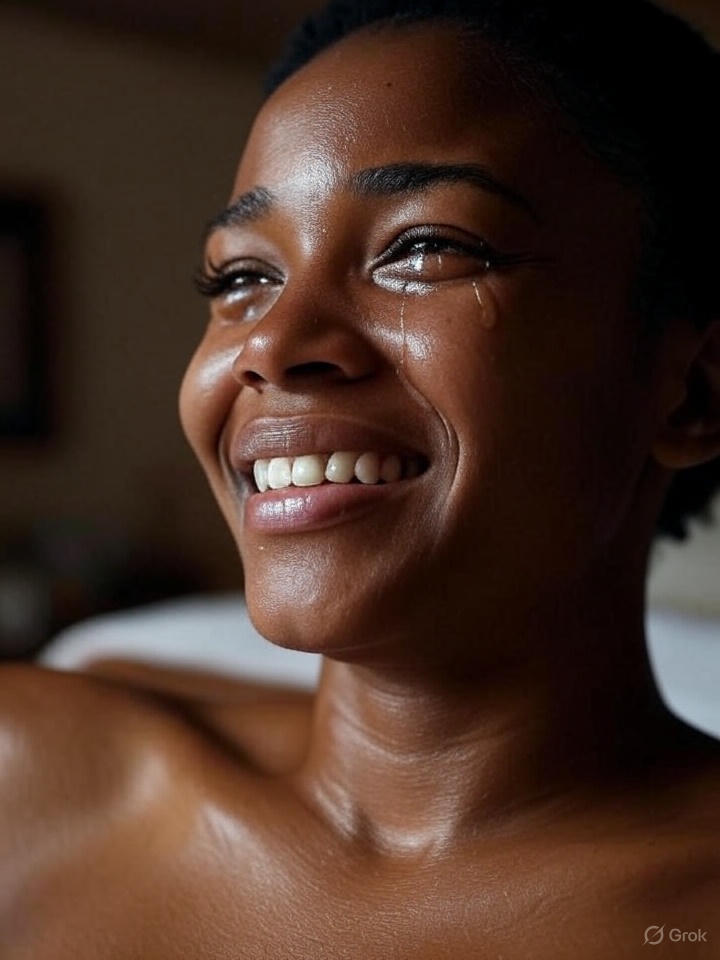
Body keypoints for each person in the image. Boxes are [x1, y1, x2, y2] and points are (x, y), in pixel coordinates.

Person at [2, 0, 720, 956]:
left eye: (426, 248)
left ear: (691, 395)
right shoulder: (27, 776)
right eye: (241, 279)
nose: (273, 343)